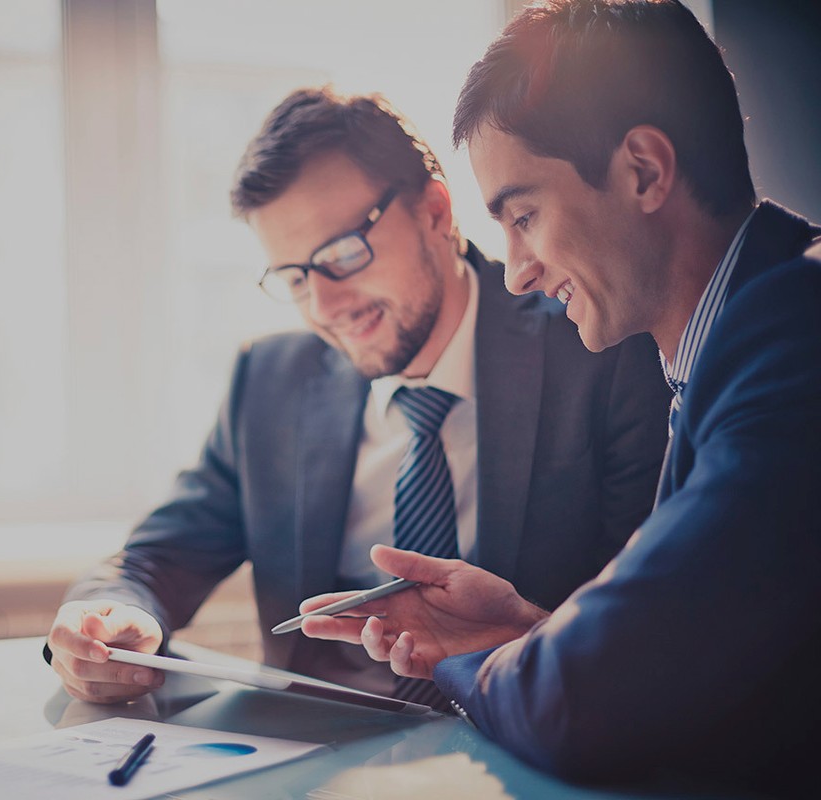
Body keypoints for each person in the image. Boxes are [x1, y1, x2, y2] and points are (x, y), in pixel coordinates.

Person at [297, 1, 821, 793]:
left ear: (645, 170)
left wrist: (482, 657)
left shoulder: (793, 338)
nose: (516, 272)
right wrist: (527, 630)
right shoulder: (731, 338)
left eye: (526, 216)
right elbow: (687, 665)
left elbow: (580, 703)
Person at [45, 86, 670, 710]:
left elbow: (647, 625)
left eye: (342, 253)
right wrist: (106, 617)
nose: (324, 306)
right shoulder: (269, 381)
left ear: (434, 211)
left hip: (517, 739)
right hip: (312, 758)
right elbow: (156, 557)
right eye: (294, 277)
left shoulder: (597, 347)